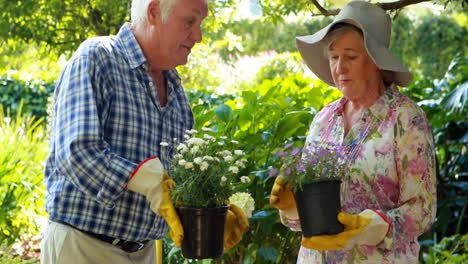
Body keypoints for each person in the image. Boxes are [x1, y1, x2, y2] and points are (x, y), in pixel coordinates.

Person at [41, 0, 248, 263]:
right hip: (83, 247)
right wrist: (144, 180)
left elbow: (175, 183)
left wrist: (208, 209)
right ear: (153, 12)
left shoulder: (175, 90)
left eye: (200, 24)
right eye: (190, 22)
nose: (199, 36)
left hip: (144, 252)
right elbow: (77, 153)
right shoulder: (97, 57)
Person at [270, 1, 437, 263]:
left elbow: (423, 210)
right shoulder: (324, 119)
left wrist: (371, 227)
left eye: (350, 57)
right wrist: (294, 207)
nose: (339, 68)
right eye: (334, 57)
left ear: (377, 61)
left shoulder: (405, 118)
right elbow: (310, 208)